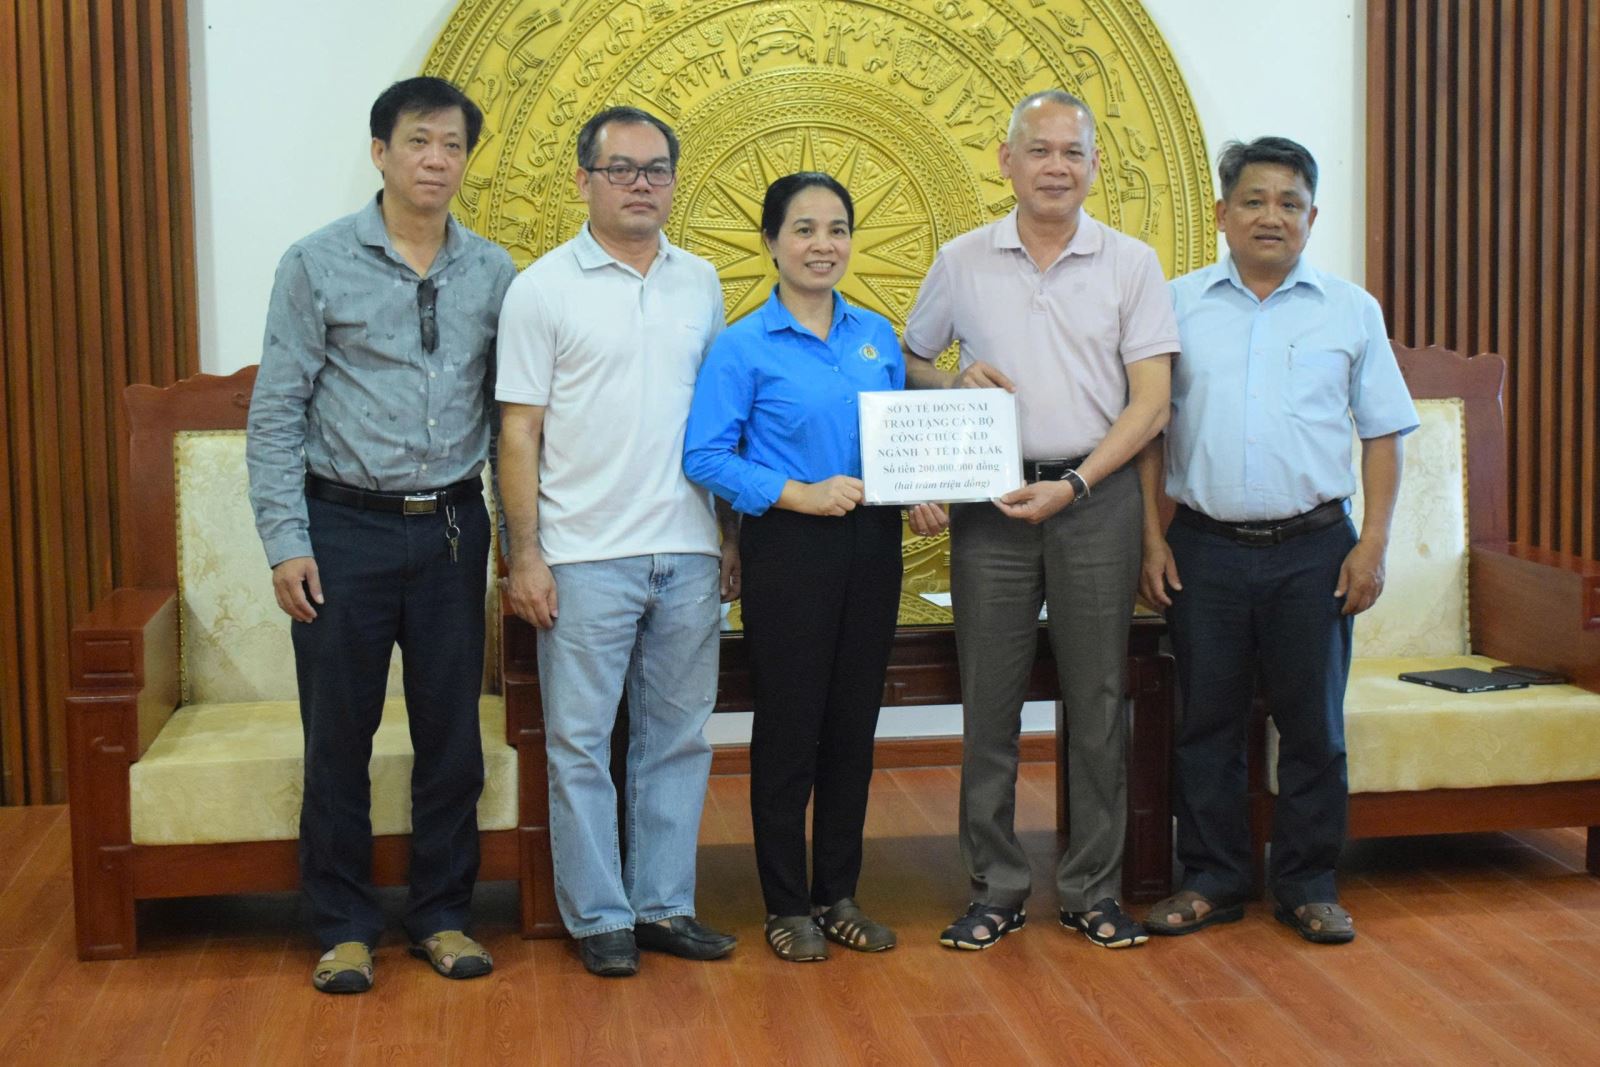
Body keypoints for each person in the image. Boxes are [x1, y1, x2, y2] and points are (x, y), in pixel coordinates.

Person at [246, 77, 515, 993]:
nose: (436, 159)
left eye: (451, 145)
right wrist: (287, 540)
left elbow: (507, 420)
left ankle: (441, 915)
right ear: (380, 152)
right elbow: (276, 412)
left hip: (450, 526)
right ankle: (344, 924)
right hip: (342, 529)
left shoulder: (494, 271)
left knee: (452, 734)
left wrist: (515, 544)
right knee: (339, 736)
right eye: (418, 142)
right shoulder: (315, 263)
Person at [902, 89, 1177, 951]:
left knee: (1096, 700)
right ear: (1006, 159)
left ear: (1094, 165)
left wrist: (1081, 485)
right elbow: (913, 359)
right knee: (990, 699)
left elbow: (1153, 402)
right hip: (991, 503)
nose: (1056, 165)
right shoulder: (962, 258)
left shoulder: (1132, 263)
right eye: (1039, 149)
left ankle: (1092, 887)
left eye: (1072, 152)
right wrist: (953, 385)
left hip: (1094, 501)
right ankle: (997, 885)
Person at [1138, 137, 1417, 945]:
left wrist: (1374, 547)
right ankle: (1215, 877)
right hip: (1206, 547)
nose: (1272, 216)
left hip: (1316, 549)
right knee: (1208, 723)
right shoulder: (1175, 304)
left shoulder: (1350, 309)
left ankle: (1307, 881)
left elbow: (1384, 435)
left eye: (1289, 203)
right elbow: (1150, 431)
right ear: (1222, 214)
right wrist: (1155, 539)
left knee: (1314, 727)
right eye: (1254, 201)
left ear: (1312, 216)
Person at [495, 106, 739, 978]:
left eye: (657, 169)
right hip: (582, 554)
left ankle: (664, 904)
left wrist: (726, 533)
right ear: (583, 180)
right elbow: (518, 432)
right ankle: (598, 914)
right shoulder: (542, 287)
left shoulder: (699, 281)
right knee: (581, 742)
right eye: (622, 169)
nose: (641, 184)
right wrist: (525, 554)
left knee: (677, 738)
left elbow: (718, 425)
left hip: (688, 547)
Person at [682, 173, 948, 962]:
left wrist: (917, 492)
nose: (822, 244)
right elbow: (704, 454)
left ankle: (839, 894)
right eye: (803, 229)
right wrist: (796, 494)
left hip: (872, 546)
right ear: (770, 241)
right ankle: (785, 902)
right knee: (791, 727)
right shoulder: (742, 344)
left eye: (837, 229)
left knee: (851, 727)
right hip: (788, 548)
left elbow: (892, 440)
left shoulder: (875, 337)